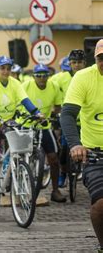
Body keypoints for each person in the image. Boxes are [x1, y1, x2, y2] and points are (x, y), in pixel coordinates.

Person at [0, 56, 44, 212]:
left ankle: (15, 168)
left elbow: (25, 100)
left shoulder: (15, 83)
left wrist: (37, 113)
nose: (6, 71)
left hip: (6, 122)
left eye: (8, 68)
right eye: (3, 68)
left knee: (22, 140)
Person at [61, 39, 103, 251]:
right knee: (100, 204)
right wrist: (76, 144)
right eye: (101, 58)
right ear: (94, 59)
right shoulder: (83, 78)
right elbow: (67, 114)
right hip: (94, 153)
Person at [21, 63, 66, 202]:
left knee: (53, 157)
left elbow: (58, 106)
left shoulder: (53, 86)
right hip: (26, 124)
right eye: (38, 75)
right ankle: (19, 186)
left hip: (44, 126)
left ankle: (55, 190)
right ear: (33, 76)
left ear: (48, 76)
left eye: (44, 75)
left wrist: (54, 114)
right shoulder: (26, 85)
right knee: (21, 156)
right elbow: (18, 101)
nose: (42, 78)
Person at [54, 49, 87, 187]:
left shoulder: (89, 75)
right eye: (74, 62)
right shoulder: (60, 78)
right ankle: (63, 172)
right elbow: (50, 90)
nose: (77, 65)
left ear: (84, 63)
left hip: (85, 121)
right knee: (63, 150)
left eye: (79, 62)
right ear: (69, 63)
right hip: (68, 119)